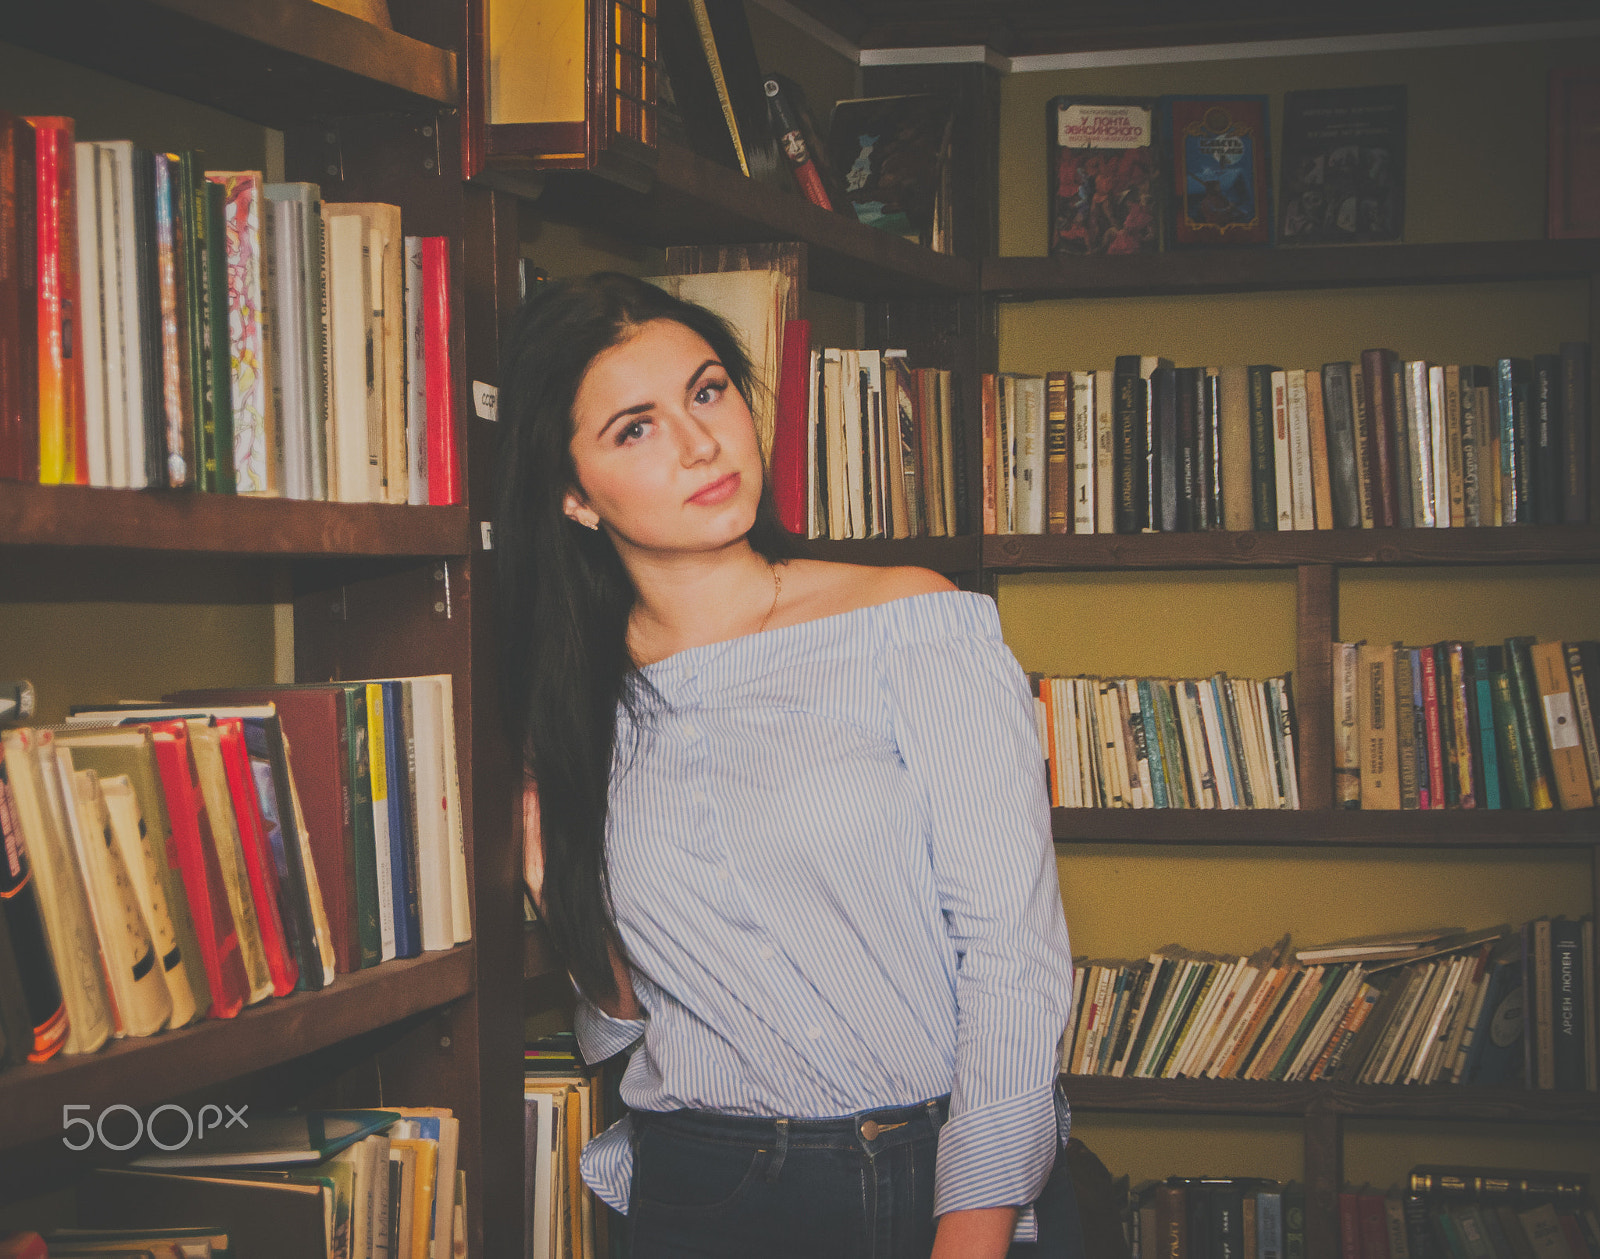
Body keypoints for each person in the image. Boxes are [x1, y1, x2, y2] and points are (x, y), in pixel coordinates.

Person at [496, 272, 1078, 1259]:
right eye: (634, 428)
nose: (698, 443)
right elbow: (623, 1012)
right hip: (700, 1188)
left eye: (708, 390)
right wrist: (551, 864)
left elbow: (1014, 957)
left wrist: (970, 1236)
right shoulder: (568, 705)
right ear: (570, 491)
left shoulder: (911, 620)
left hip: (930, 1176)